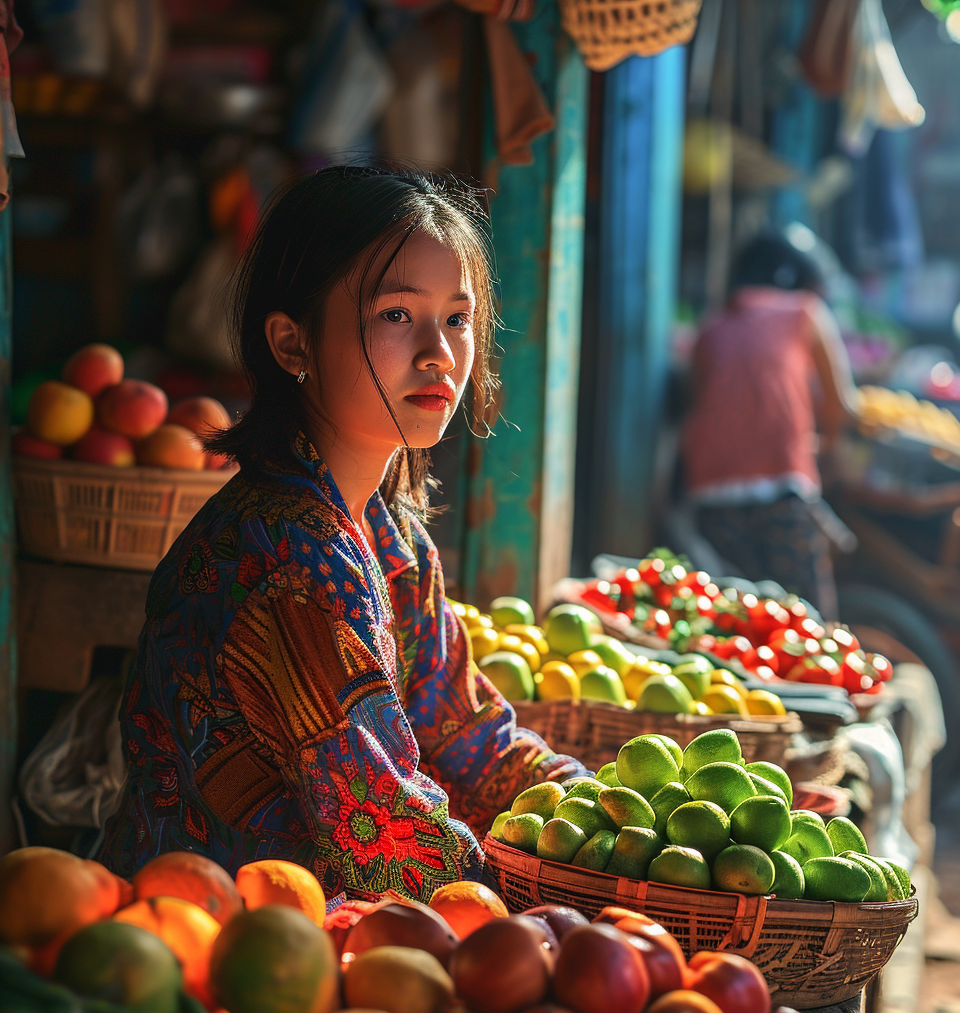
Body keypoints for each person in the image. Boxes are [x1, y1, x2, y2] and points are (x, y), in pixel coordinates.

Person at [98, 166, 586, 904]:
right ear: (293, 344)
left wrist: (599, 813)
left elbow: (464, 732)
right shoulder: (290, 558)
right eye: (396, 315)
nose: (439, 353)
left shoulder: (392, 538)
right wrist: (574, 898)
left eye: (457, 318)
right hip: (220, 940)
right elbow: (386, 833)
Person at [680, 231, 857, 619]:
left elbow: (701, 397)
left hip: (710, 495)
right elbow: (842, 403)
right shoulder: (805, 312)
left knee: (735, 621)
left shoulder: (709, 329)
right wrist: (825, 446)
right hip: (781, 488)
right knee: (809, 623)